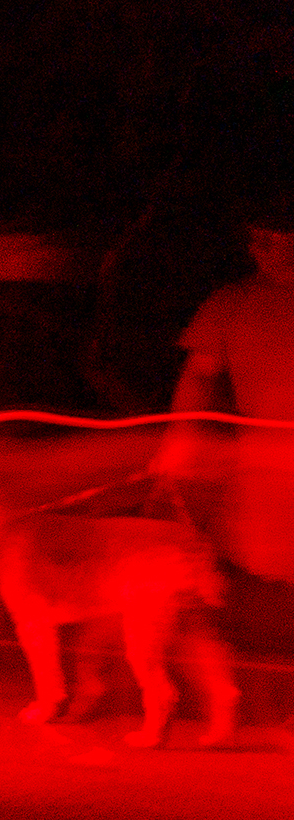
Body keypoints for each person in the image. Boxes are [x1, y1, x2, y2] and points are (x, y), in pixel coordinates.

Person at [156, 191, 294, 588]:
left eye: (269, 238)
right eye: (253, 238)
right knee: (262, 582)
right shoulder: (231, 301)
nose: (256, 249)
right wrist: (180, 437)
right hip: (262, 474)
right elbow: (200, 375)